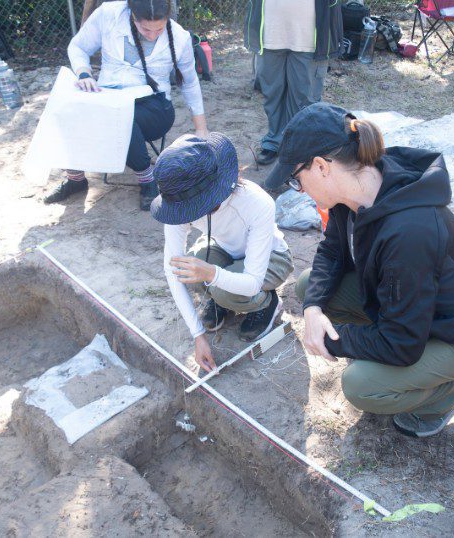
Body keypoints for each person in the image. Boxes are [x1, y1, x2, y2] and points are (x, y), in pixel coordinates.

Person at [268, 102, 454, 438]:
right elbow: (333, 250)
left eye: (297, 180)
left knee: (361, 385)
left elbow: (402, 343)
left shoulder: (408, 232)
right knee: (310, 288)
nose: (300, 190)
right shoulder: (358, 186)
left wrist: (332, 340)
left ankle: (448, 394)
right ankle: (390, 362)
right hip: (414, 310)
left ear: (321, 166)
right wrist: (312, 309)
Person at [44, 0, 208, 211]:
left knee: (122, 118)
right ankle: (76, 179)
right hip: (107, 98)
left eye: (159, 29)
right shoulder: (109, 14)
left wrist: (201, 128)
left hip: (154, 106)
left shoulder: (179, 37)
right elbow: (78, 46)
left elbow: (190, 82)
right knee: (68, 108)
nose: (152, 35)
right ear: (132, 16)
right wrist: (84, 73)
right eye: (145, 29)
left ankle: (148, 181)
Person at [150, 133, 293, 372]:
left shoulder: (257, 203)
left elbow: (252, 282)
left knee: (219, 286)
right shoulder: (180, 199)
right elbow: (172, 269)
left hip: (272, 258)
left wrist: (212, 274)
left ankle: (267, 305)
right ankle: (222, 299)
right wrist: (198, 335)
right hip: (226, 251)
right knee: (190, 269)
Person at [244, 0, 342, 174]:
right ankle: (274, 142)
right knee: (272, 95)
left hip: (309, 36)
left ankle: (300, 147)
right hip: (270, 33)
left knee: (305, 100)